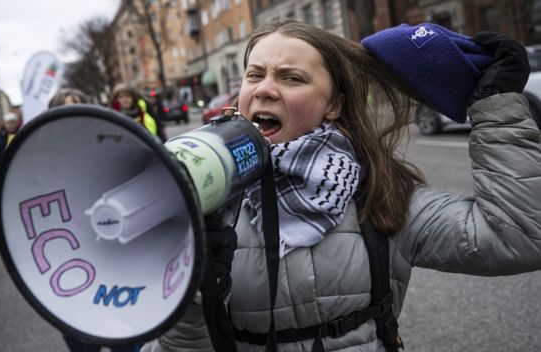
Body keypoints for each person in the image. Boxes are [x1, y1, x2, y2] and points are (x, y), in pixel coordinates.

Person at [141, 19, 541, 351]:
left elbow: (520, 238)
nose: (263, 88)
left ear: (334, 104)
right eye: (254, 74)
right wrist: (192, 297)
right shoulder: (198, 197)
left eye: (291, 77)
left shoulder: (381, 197)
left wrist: (497, 111)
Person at [47, 88, 141, 352]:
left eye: (77, 109)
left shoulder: (111, 145)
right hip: (72, 267)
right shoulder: (41, 160)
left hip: (115, 261)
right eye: (64, 110)